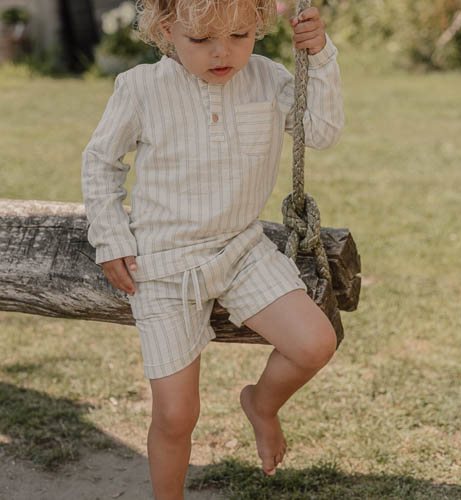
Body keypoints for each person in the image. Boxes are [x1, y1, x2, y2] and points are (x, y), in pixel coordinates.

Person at [82, 0, 344, 498]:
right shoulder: (140, 88)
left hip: (240, 248)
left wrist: (321, 55)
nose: (223, 53)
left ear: (259, 28)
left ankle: (262, 405)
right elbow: (101, 162)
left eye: (241, 36)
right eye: (202, 41)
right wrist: (111, 236)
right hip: (163, 264)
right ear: (165, 29)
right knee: (177, 415)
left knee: (315, 343)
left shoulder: (266, 78)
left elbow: (323, 132)